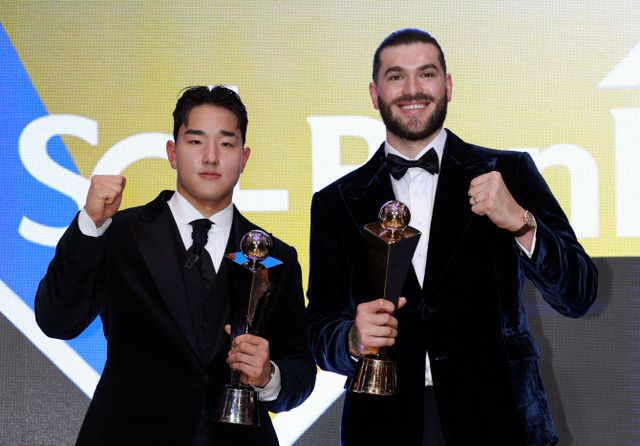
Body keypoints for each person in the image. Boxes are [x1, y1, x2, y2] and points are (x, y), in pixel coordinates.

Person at [307, 28, 598, 446]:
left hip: (499, 420)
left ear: (448, 86)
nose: (412, 89)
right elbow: (319, 328)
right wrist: (351, 338)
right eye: (396, 76)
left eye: (426, 74)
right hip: (383, 425)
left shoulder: (508, 173)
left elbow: (579, 293)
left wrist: (521, 222)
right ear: (374, 93)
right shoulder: (335, 202)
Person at [35, 85, 315, 445]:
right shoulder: (118, 234)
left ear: (244, 157)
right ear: (172, 152)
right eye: (196, 141)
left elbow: (300, 371)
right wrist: (90, 226)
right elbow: (57, 320)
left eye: (226, 143)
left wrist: (268, 376)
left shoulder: (276, 256)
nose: (210, 157)